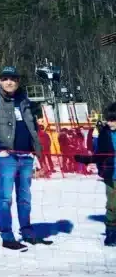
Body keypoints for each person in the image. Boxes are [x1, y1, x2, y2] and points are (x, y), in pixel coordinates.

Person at [0, 66, 48, 250]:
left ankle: (27, 232)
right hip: (6, 155)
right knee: (5, 198)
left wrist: (36, 150)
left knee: (25, 197)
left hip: (26, 155)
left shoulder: (24, 99)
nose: (9, 82)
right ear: (0, 81)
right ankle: (7, 236)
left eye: (13, 79)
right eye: (5, 79)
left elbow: (32, 125)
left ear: (18, 81)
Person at [75, 102, 116, 247]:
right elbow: (100, 154)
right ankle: (111, 233)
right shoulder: (104, 134)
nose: (110, 123)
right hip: (111, 175)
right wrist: (87, 159)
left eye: (113, 120)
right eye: (109, 119)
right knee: (113, 205)